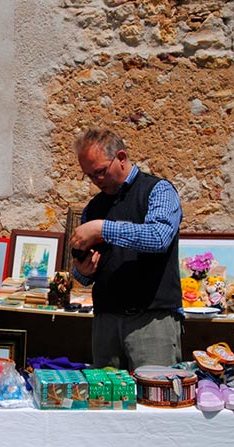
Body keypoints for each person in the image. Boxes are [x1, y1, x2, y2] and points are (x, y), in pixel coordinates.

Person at [69, 127, 183, 371]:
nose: (96, 180)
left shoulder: (158, 190)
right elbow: (83, 275)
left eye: (100, 171)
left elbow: (159, 236)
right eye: (89, 176)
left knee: (155, 401)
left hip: (152, 320)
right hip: (106, 321)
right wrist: (83, 270)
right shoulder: (93, 207)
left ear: (121, 157)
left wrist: (103, 229)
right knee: (106, 405)